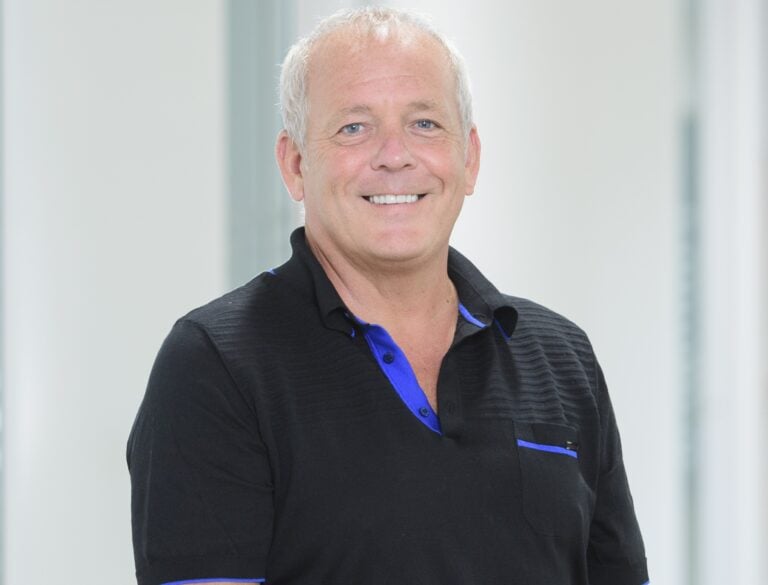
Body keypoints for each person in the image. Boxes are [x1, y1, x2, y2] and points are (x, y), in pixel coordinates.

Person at [127, 7, 649, 585]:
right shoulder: (216, 365)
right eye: (354, 127)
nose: (395, 154)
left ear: (469, 158)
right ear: (295, 165)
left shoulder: (560, 357)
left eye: (425, 123)